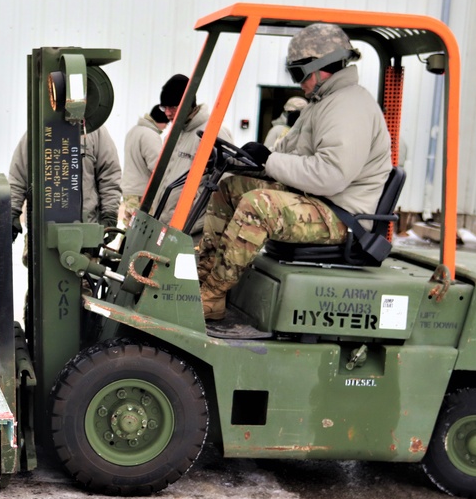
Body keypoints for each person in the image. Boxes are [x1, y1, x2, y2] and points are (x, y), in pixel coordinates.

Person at [196, 22, 392, 321]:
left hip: (341, 216)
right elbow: (287, 154)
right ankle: (203, 280)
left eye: (298, 73)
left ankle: (211, 296)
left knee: (258, 206)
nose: (297, 82)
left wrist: (271, 161)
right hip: (319, 202)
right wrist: (254, 159)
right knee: (231, 189)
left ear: (322, 67)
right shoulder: (322, 103)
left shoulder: (348, 106)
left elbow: (331, 175)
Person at [9, 124, 122, 251]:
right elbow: (18, 177)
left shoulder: (96, 132)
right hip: (42, 234)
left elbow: (109, 177)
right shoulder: (38, 130)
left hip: (85, 235)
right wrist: (12, 212)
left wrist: (109, 215)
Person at [150, 73, 235, 224]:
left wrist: (194, 218)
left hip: (191, 229)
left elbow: (225, 182)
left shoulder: (212, 132)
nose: (167, 113)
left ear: (188, 104)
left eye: (173, 107)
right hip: (166, 224)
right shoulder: (175, 134)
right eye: (164, 107)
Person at [120, 105, 169, 224]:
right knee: (141, 229)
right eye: (166, 123)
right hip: (141, 193)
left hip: (129, 190)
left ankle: (123, 243)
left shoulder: (134, 131)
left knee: (131, 228)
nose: (166, 127)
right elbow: (157, 166)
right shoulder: (150, 135)